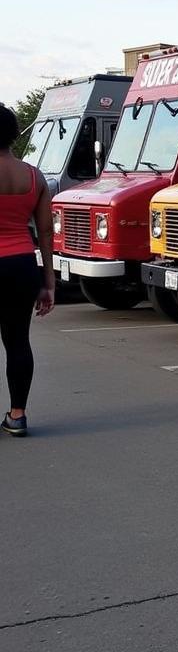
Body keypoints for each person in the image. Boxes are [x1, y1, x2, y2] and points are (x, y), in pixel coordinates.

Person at [0, 103, 55, 436]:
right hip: (22, 265)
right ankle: (17, 415)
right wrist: (48, 283)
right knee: (18, 341)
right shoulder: (34, 176)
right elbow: (46, 232)